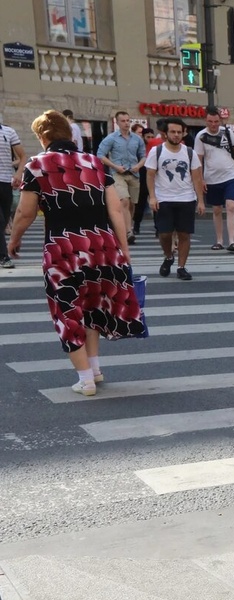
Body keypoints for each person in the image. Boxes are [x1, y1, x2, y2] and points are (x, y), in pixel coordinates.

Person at [8, 110, 144, 395]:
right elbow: (115, 209)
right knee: (92, 308)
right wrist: (123, 249)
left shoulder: (38, 165)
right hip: (102, 246)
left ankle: (85, 380)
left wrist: (14, 240)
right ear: (69, 135)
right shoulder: (94, 162)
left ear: (42, 136)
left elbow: (25, 213)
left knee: (68, 312)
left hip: (64, 251)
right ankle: (94, 369)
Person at [146, 117, 205, 281]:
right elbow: (150, 175)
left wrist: (200, 200)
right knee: (164, 234)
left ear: (183, 134)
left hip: (186, 198)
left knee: (184, 234)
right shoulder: (156, 151)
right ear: (165, 133)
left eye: (179, 132)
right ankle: (168, 256)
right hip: (163, 198)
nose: (176, 135)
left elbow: (197, 178)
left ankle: (181, 267)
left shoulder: (189, 153)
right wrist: (152, 197)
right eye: (173, 132)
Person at [195, 106, 234, 252]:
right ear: (206, 121)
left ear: (220, 121)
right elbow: (199, 160)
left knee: (230, 206)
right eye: (210, 121)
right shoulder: (201, 136)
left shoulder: (228, 133)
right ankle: (219, 240)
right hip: (211, 178)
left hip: (230, 176)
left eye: (216, 121)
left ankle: (232, 241)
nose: (213, 124)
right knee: (217, 209)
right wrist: (201, 180)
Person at [95, 110, 146, 244]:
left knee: (132, 204)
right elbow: (100, 155)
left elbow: (143, 156)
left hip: (134, 173)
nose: (126, 123)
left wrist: (139, 166)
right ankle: (128, 232)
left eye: (128, 121)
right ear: (117, 122)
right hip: (118, 173)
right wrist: (114, 166)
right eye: (123, 121)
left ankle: (127, 227)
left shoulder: (137, 139)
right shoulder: (111, 138)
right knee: (124, 200)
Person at [0, 114, 28, 269]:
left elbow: (23, 156)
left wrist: (18, 173)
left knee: (4, 221)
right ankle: (3, 257)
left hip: (6, 182)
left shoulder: (9, 132)